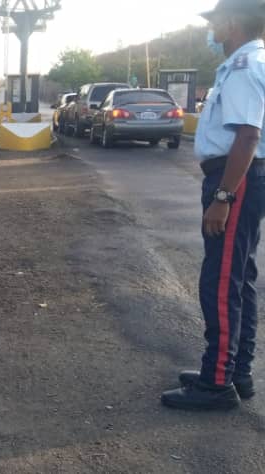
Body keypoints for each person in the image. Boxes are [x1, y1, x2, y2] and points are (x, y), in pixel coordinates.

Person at [161, 0, 265, 411]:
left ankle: (217, 382)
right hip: (242, 177)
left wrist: (223, 196)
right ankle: (236, 372)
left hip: (234, 179)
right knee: (238, 278)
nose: (212, 29)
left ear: (232, 23)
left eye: (216, 21)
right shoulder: (249, 62)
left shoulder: (243, 66)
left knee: (220, 281)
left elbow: (247, 136)